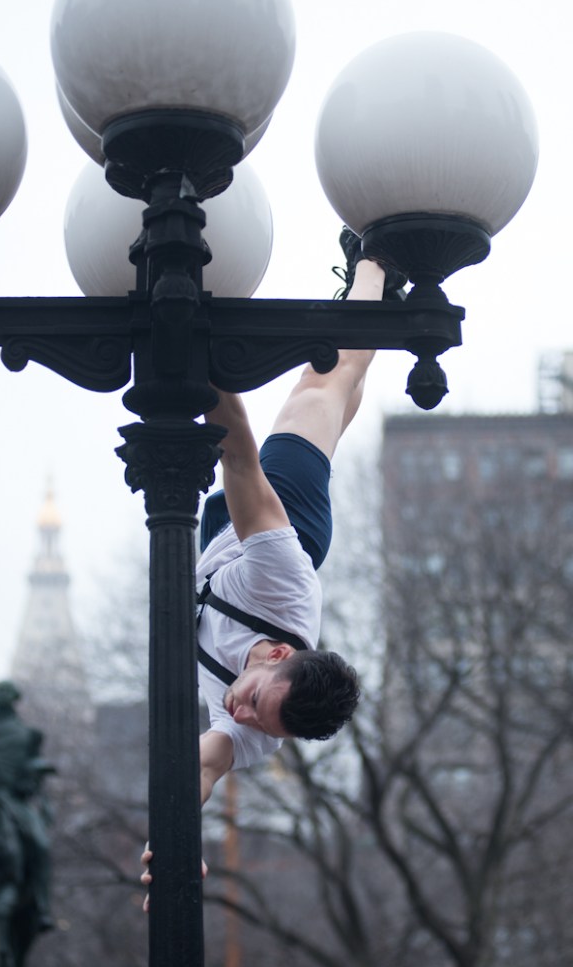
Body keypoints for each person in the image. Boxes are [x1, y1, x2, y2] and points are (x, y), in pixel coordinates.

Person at [142, 232, 403, 903]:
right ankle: (376, 265)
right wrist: (199, 355)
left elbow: (204, 764)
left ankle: (376, 302)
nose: (242, 715)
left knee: (344, 396)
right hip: (286, 514)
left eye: (259, 720)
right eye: (255, 702)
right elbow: (238, 458)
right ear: (279, 652)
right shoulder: (282, 582)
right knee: (326, 382)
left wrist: (170, 835)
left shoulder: (264, 732)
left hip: (215, 551)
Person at [0, 680, 55, 931]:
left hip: (13, 799)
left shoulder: (29, 734)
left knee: (40, 844)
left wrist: (37, 771)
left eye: (6, 693)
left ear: (14, 699)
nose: (1, 697)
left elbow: (33, 763)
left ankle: (42, 906)